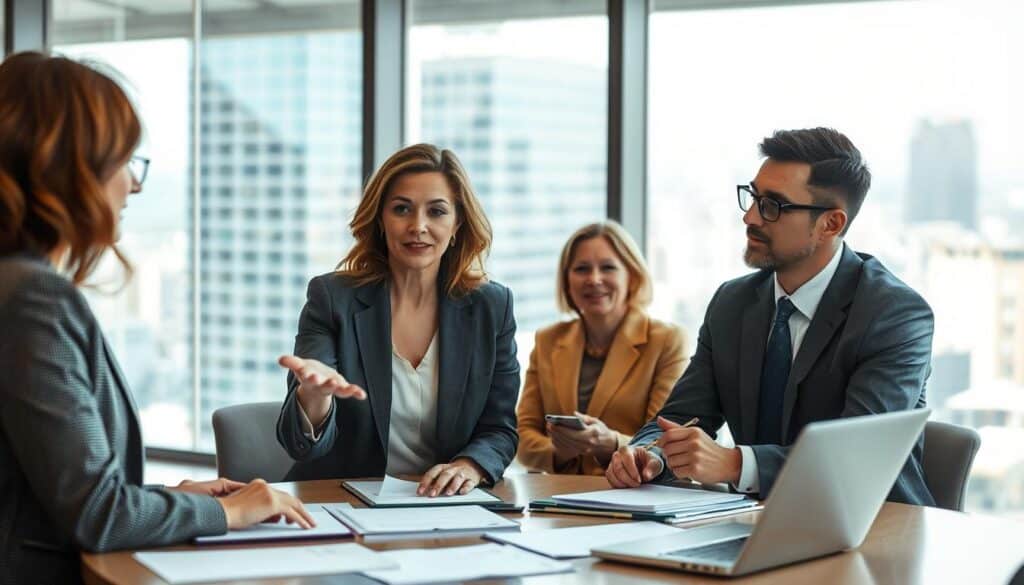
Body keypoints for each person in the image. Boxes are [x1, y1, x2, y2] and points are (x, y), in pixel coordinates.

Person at [0, 52, 314, 585]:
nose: (135, 185)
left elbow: (49, 483)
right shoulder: (33, 298)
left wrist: (162, 500)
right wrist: (229, 513)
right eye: (124, 161)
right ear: (70, 167)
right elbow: (96, 514)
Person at [607, 127, 935, 506]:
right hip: (750, 525)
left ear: (831, 224)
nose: (750, 217)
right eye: (753, 197)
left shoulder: (894, 316)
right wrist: (649, 455)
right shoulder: (733, 303)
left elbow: (853, 458)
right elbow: (682, 416)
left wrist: (735, 464)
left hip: (875, 529)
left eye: (773, 205)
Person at [276, 143, 519, 497]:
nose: (417, 226)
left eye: (436, 211)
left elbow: (500, 429)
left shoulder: (491, 307)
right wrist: (315, 397)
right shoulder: (332, 298)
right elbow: (301, 446)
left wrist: (469, 466)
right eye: (402, 209)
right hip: (339, 504)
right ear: (380, 219)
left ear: (457, 223)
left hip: (442, 505)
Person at [516, 221, 688, 474]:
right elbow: (522, 435)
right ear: (566, 280)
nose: (594, 279)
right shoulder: (548, 340)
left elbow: (665, 441)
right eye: (582, 269)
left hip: (632, 494)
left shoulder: (666, 340)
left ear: (632, 276)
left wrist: (610, 443)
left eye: (608, 268)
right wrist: (559, 451)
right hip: (558, 497)